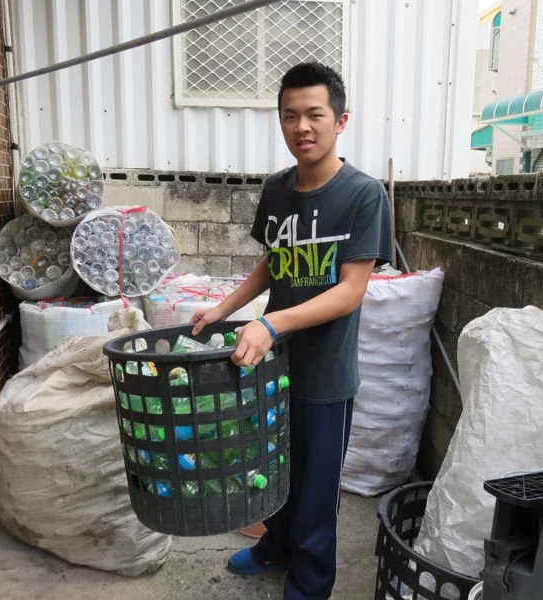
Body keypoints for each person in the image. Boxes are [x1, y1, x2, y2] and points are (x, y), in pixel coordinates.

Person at [190, 62, 392, 600]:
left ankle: (310, 582)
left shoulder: (364, 194)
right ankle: (274, 545)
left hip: (324, 373)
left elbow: (351, 290)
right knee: (271, 465)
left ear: (340, 120)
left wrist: (270, 322)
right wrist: (224, 309)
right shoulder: (277, 190)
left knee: (318, 487)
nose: (302, 126)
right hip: (271, 366)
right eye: (290, 116)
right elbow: (272, 263)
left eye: (314, 114)